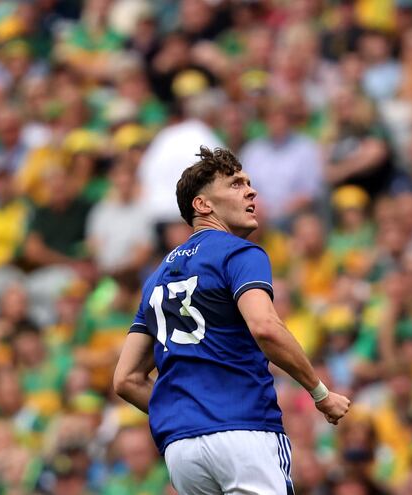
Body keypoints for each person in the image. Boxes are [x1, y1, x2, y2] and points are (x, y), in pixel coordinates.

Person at [113, 146, 351, 494]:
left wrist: (183, 416)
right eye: (236, 184)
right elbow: (265, 327)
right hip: (244, 433)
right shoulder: (240, 253)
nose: (250, 191)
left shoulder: (156, 279)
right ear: (202, 205)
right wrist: (320, 393)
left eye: (249, 183)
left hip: (182, 450)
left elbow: (126, 379)